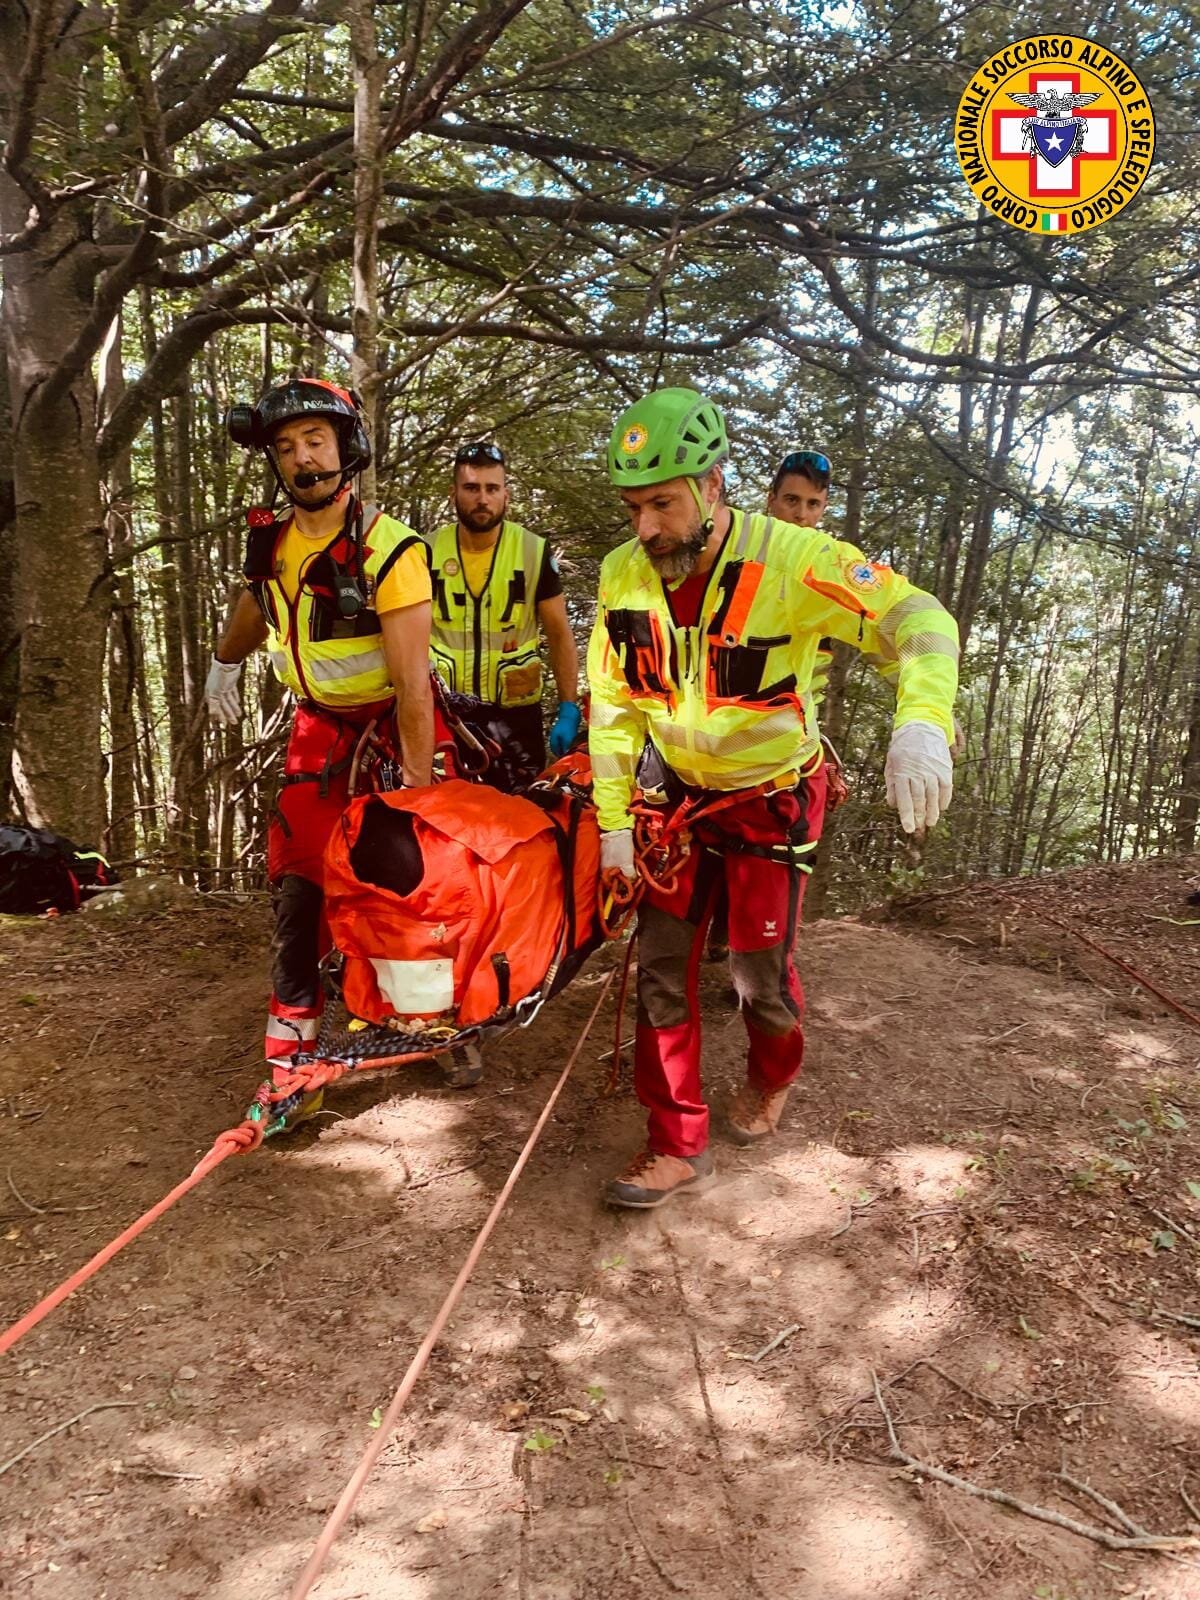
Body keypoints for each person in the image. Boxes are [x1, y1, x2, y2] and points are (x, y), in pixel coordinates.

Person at [589, 387, 958, 1209]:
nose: (645, 528)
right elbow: (614, 703)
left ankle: (771, 1073)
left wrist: (923, 721)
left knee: (759, 975)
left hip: (770, 801)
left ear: (713, 487)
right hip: (676, 802)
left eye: (662, 504)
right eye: (632, 508)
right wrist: (614, 820)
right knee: (660, 971)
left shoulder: (794, 560)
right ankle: (675, 1141)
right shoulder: (624, 574)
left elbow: (916, 615)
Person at [205, 378, 434, 1073]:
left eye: (314, 441)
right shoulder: (272, 545)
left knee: (404, 873)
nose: (302, 460)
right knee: (299, 879)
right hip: (319, 730)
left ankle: (427, 1021)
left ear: (345, 448)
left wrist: (418, 791)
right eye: (285, 447)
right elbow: (257, 603)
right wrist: (224, 662)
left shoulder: (389, 550)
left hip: (395, 727)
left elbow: (412, 685)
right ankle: (293, 1047)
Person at [427, 441, 580, 781]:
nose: (482, 499)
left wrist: (568, 708)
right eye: (471, 488)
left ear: (506, 495)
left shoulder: (533, 551)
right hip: (445, 717)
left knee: (522, 821)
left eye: (492, 488)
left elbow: (559, 634)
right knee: (445, 820)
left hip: (515, 721)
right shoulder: (426, 551)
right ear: (454, 493)